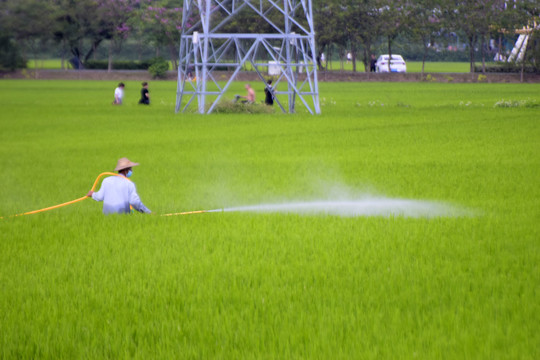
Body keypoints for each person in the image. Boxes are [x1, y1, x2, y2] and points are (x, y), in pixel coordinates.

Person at [87, 157, 151, 215]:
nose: (131, 171)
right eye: (130, 169)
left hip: (106, 217)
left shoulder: (106, 180)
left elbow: (99, 197)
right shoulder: (129, 183)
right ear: (126, 170)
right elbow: (134, 202)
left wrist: (92, 194)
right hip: (123, 217)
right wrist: (148, 212)